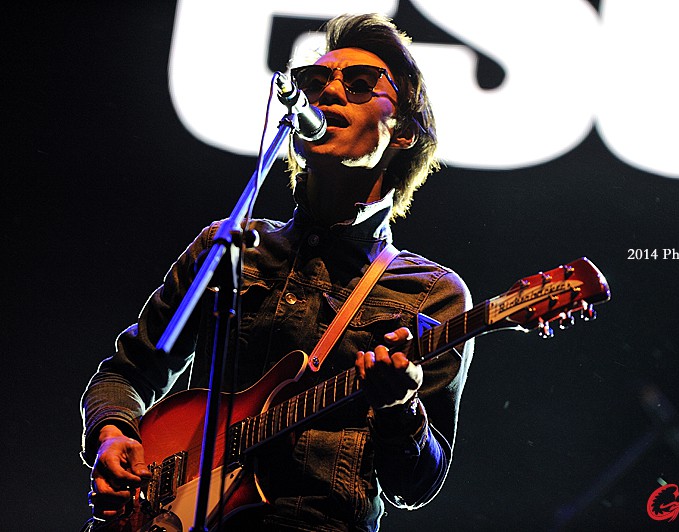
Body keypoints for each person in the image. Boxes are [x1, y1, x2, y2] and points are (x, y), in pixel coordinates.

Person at [81, 13, 473, 531]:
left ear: (402, 132)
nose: (329, 92)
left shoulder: (431, 293)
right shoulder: (231, 246)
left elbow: (415, 485)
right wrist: (113, 432)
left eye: (359, 84)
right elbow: (128, 372)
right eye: (315, 81)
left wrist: (399, 407)